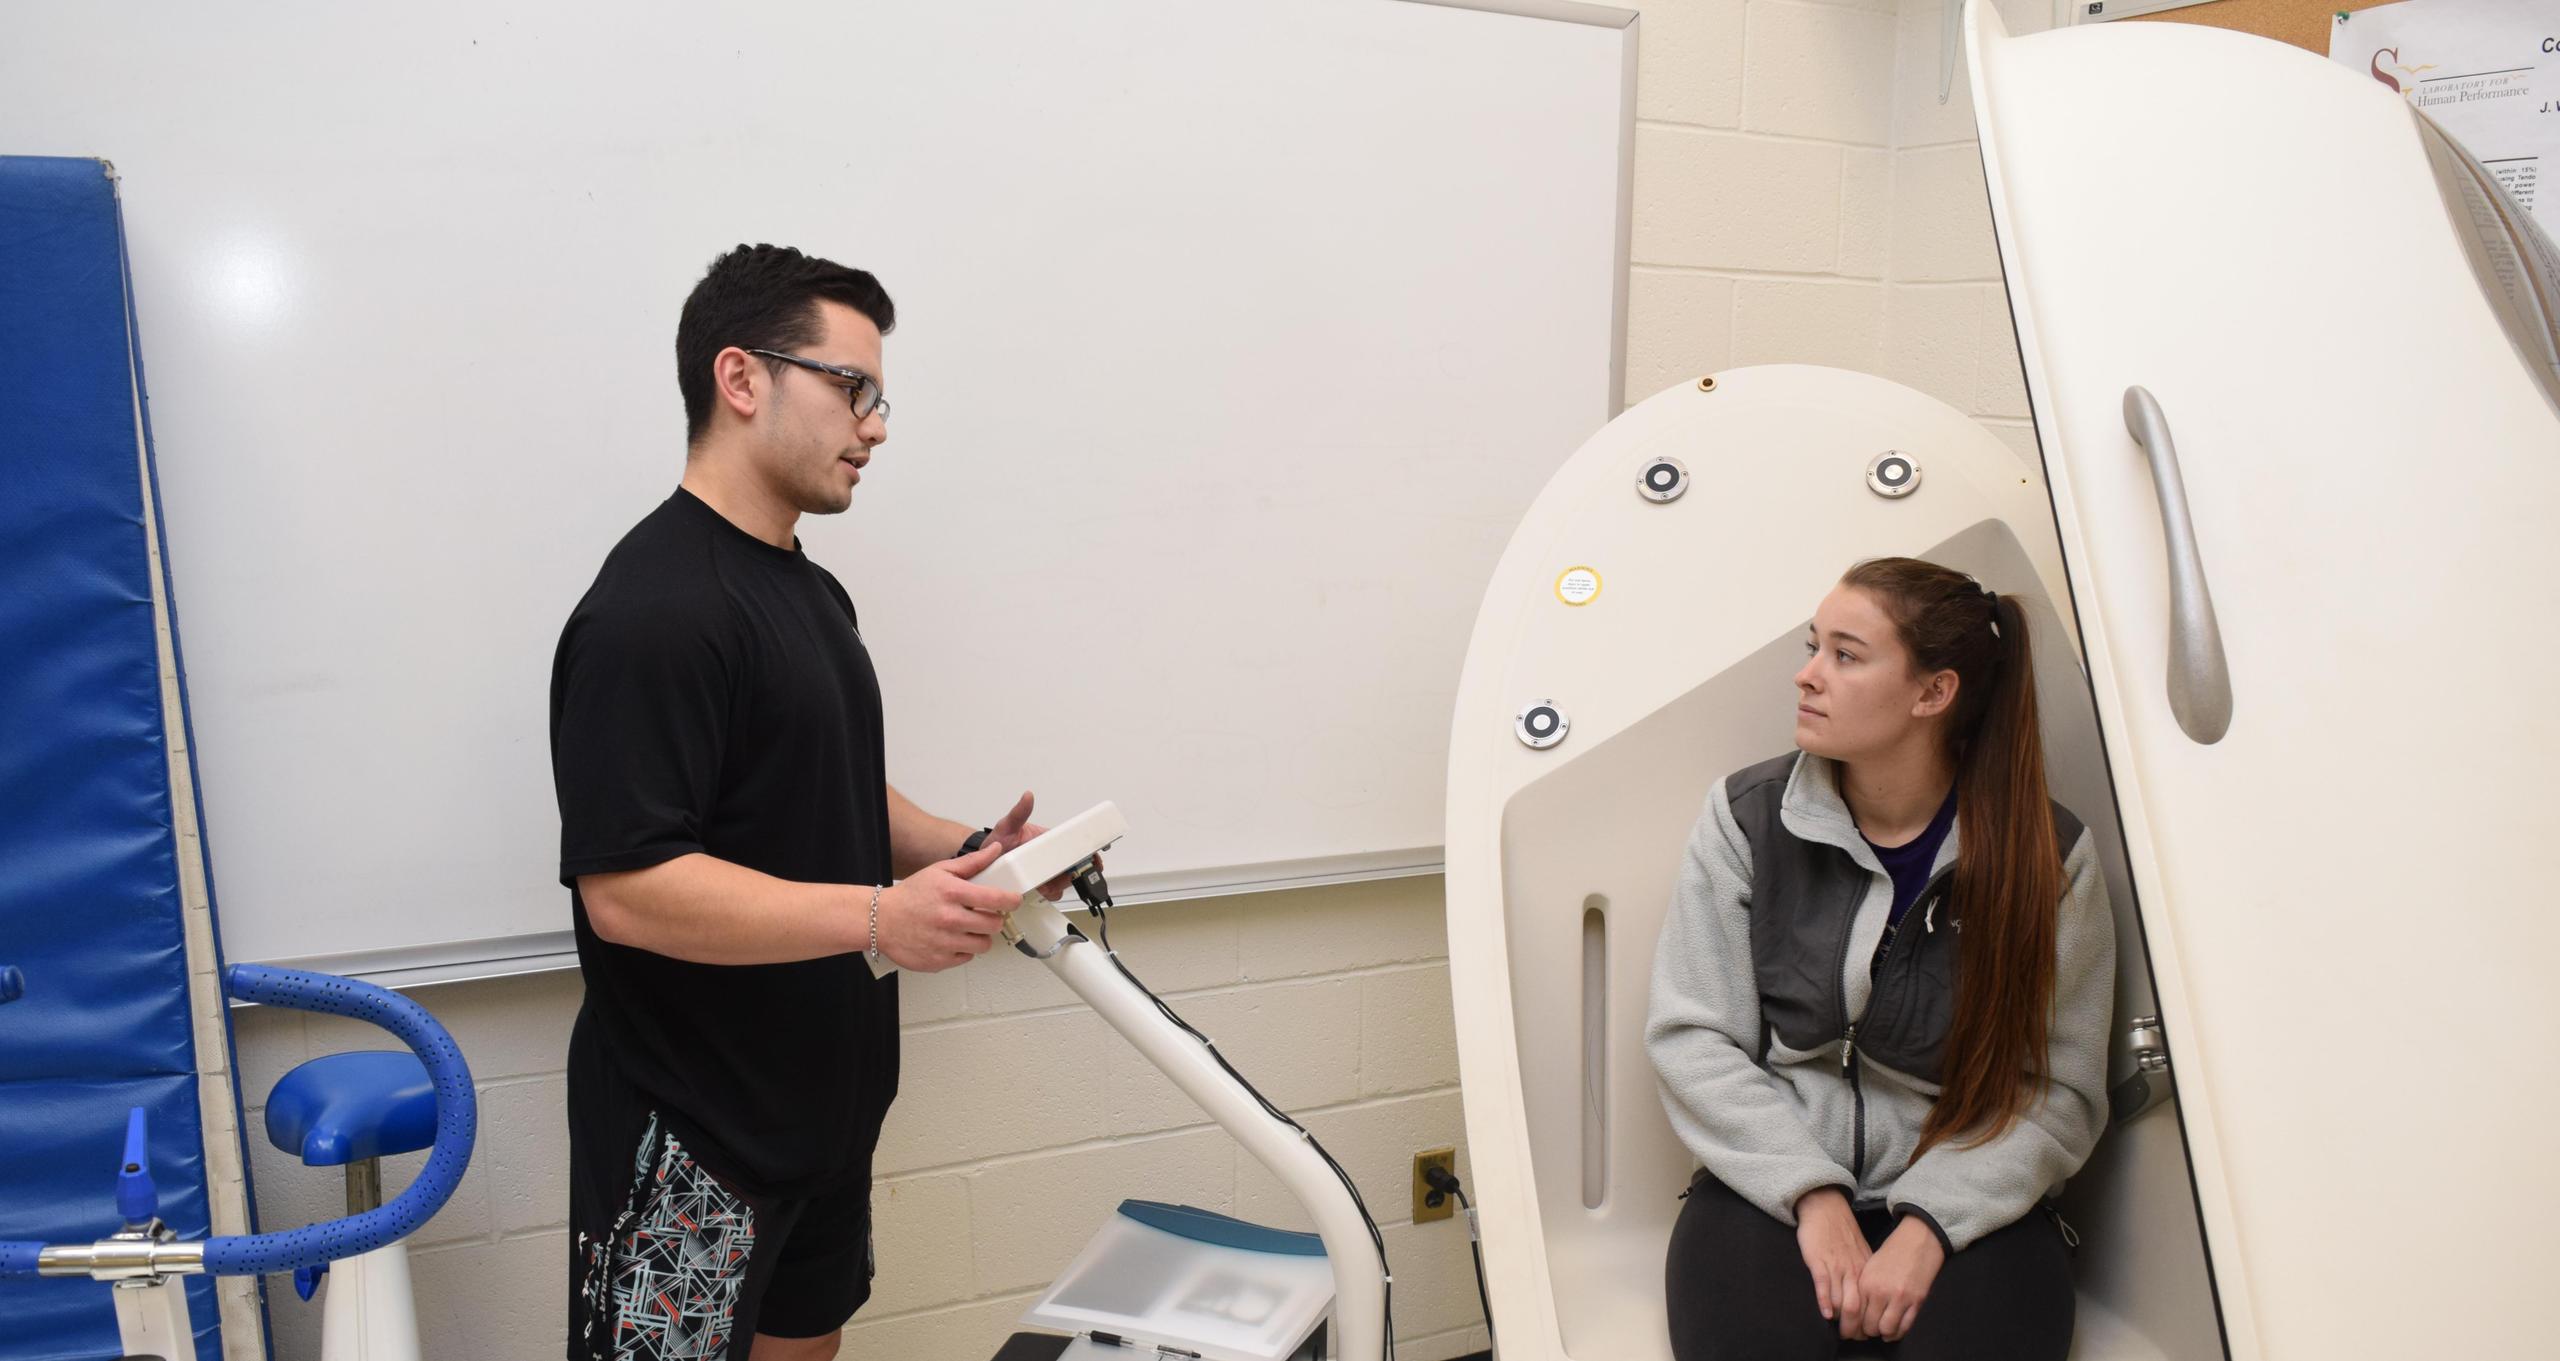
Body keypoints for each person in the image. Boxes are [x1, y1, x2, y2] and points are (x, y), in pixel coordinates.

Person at [550, 243, 1067, 1360]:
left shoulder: (809, 588)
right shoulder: (651, 612)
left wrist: (969, 849)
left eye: (879, 396)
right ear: (742, 380)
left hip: (822, 1113)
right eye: (852, 388)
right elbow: (630, 890)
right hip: (691, 1135)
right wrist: (882, 917)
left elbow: (824, 778)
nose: (874, 425)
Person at [1646, 557, 2115, 1360]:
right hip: (1768, 1185)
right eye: (1812, 646)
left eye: (1845, 654)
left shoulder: (2051, 856)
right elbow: (1693, 1038)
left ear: (1934, 693)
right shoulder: (1744, 820)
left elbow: (2057, 1091)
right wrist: (1813, 1194)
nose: (1806, 675)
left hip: (1973, 1196)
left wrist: (1930, 1224)